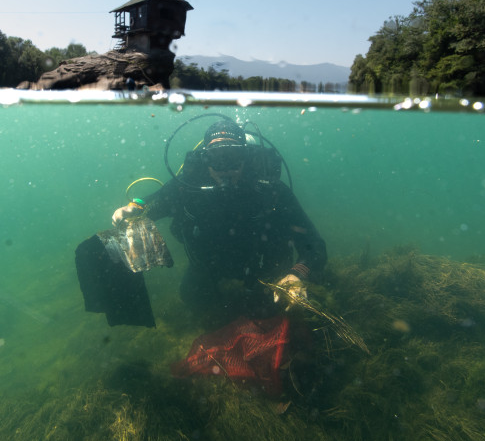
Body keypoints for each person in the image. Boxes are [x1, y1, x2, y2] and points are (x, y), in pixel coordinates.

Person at [112, 118, 327, 325]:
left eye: (232, 157)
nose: (225, 168)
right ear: (205, 159)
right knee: (192, 297)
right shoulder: (187, 187)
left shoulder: (270, 191)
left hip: (264, 268)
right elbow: (152, 203)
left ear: (245, 157)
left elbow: (315, 246)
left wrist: (296, 275)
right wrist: (134, 208)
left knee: (275, 309)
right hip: (210, 266)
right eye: (216, 158)